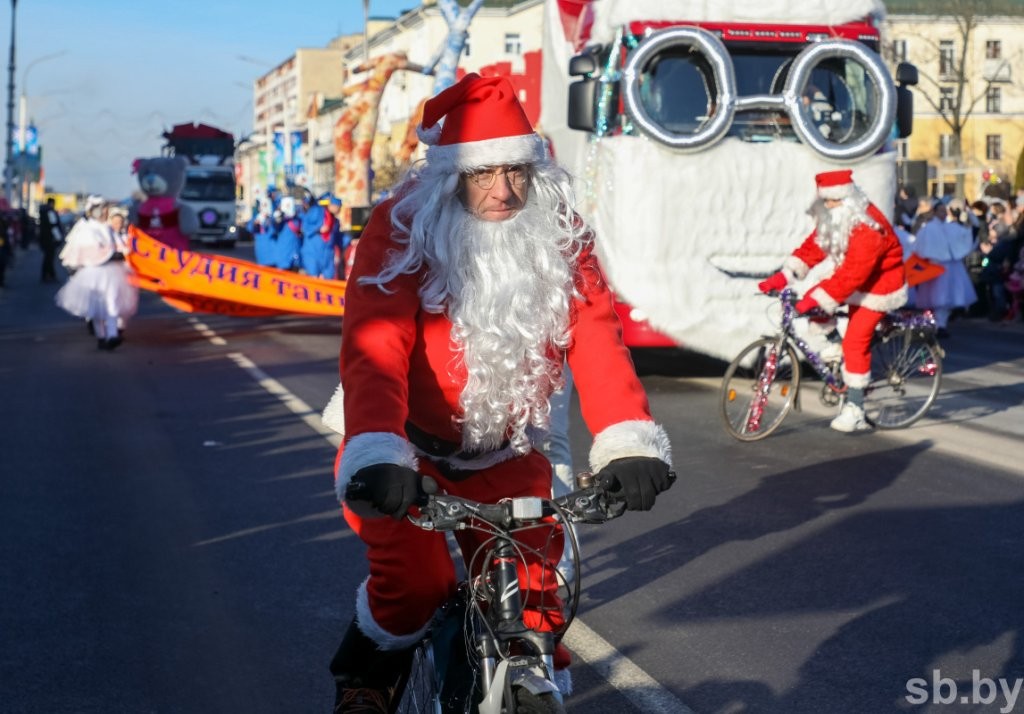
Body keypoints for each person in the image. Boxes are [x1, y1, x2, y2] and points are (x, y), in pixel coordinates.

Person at [322, 73, 675, 712]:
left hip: (507, 454)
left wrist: (627, 439)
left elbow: (595, 332)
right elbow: (374, 349)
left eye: (516, 172)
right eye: (484, 175)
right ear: (452, 175)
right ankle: (365, 681)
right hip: (407, 452)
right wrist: (377, 452)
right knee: (416, 585)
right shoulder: (402, 226)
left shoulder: (559, 230)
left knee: (538, 596)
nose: (505, 192)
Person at [758, 169, 907, 433]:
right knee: (817, 305)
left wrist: (814, 300)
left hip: (879, 287)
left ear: (848, 198)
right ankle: (836, 349)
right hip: (855, 279)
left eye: (833, 201)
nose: (828, 206)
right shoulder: (839, 218)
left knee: (855, 340)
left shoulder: (869, 226)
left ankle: (856, 409)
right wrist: (784, 276)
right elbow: (816, 245)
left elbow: (854, 273)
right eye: (825, 201)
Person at [55, 196, 138, 350]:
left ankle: (112, 335)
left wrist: (124, 252)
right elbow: (88, 251)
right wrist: (109, 255)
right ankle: (101, 336)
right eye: (100, 208)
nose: (103, 212)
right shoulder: (86, 229)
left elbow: (118, 245)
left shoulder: (106, 228)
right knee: (98, 305)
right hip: (93, 272)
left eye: (104, 208)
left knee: (112, 302)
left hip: (112, 271)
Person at [910, 201, 976, 337]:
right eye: (941, 210)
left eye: (945, 210)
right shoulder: (928, 228)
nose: (944, 213)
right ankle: (935, 324)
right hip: (935, 268)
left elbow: (969, 233)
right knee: (937, 298)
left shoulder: (952, 227)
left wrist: (970, 215)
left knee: (947, 299)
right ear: (934, 212)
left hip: (951, 268)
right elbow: (919, 247)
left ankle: (941, 325)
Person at [38, 197, 64, 283]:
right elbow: (54, 226)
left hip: (44, 238)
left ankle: (48, 275)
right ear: (52, 203)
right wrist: (58, 238)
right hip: (50, 239)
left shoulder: (43, 212)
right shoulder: (50, 212)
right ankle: (48, 275)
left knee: (48, 257)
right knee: (49, 257)